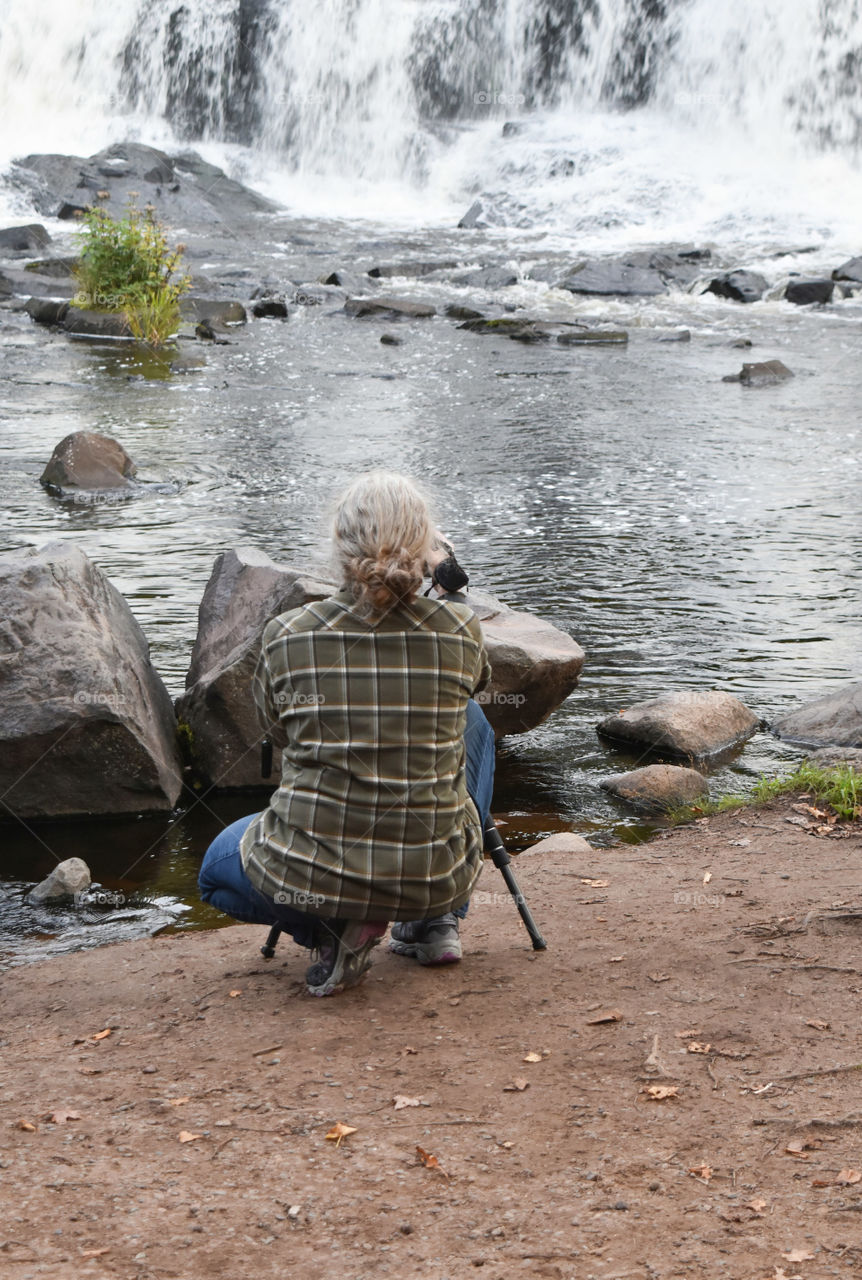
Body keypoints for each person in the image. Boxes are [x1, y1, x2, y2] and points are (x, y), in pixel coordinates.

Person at [198, 470, 495, 997]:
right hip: (435, 874)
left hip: (313, 871)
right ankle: (437, 922)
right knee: (476, 725)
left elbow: (277, 730)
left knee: (215, 871)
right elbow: (476, 685)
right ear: (426, 547)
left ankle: (328, 930)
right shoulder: (459, 629)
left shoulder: (288, 634)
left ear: (339, 543)